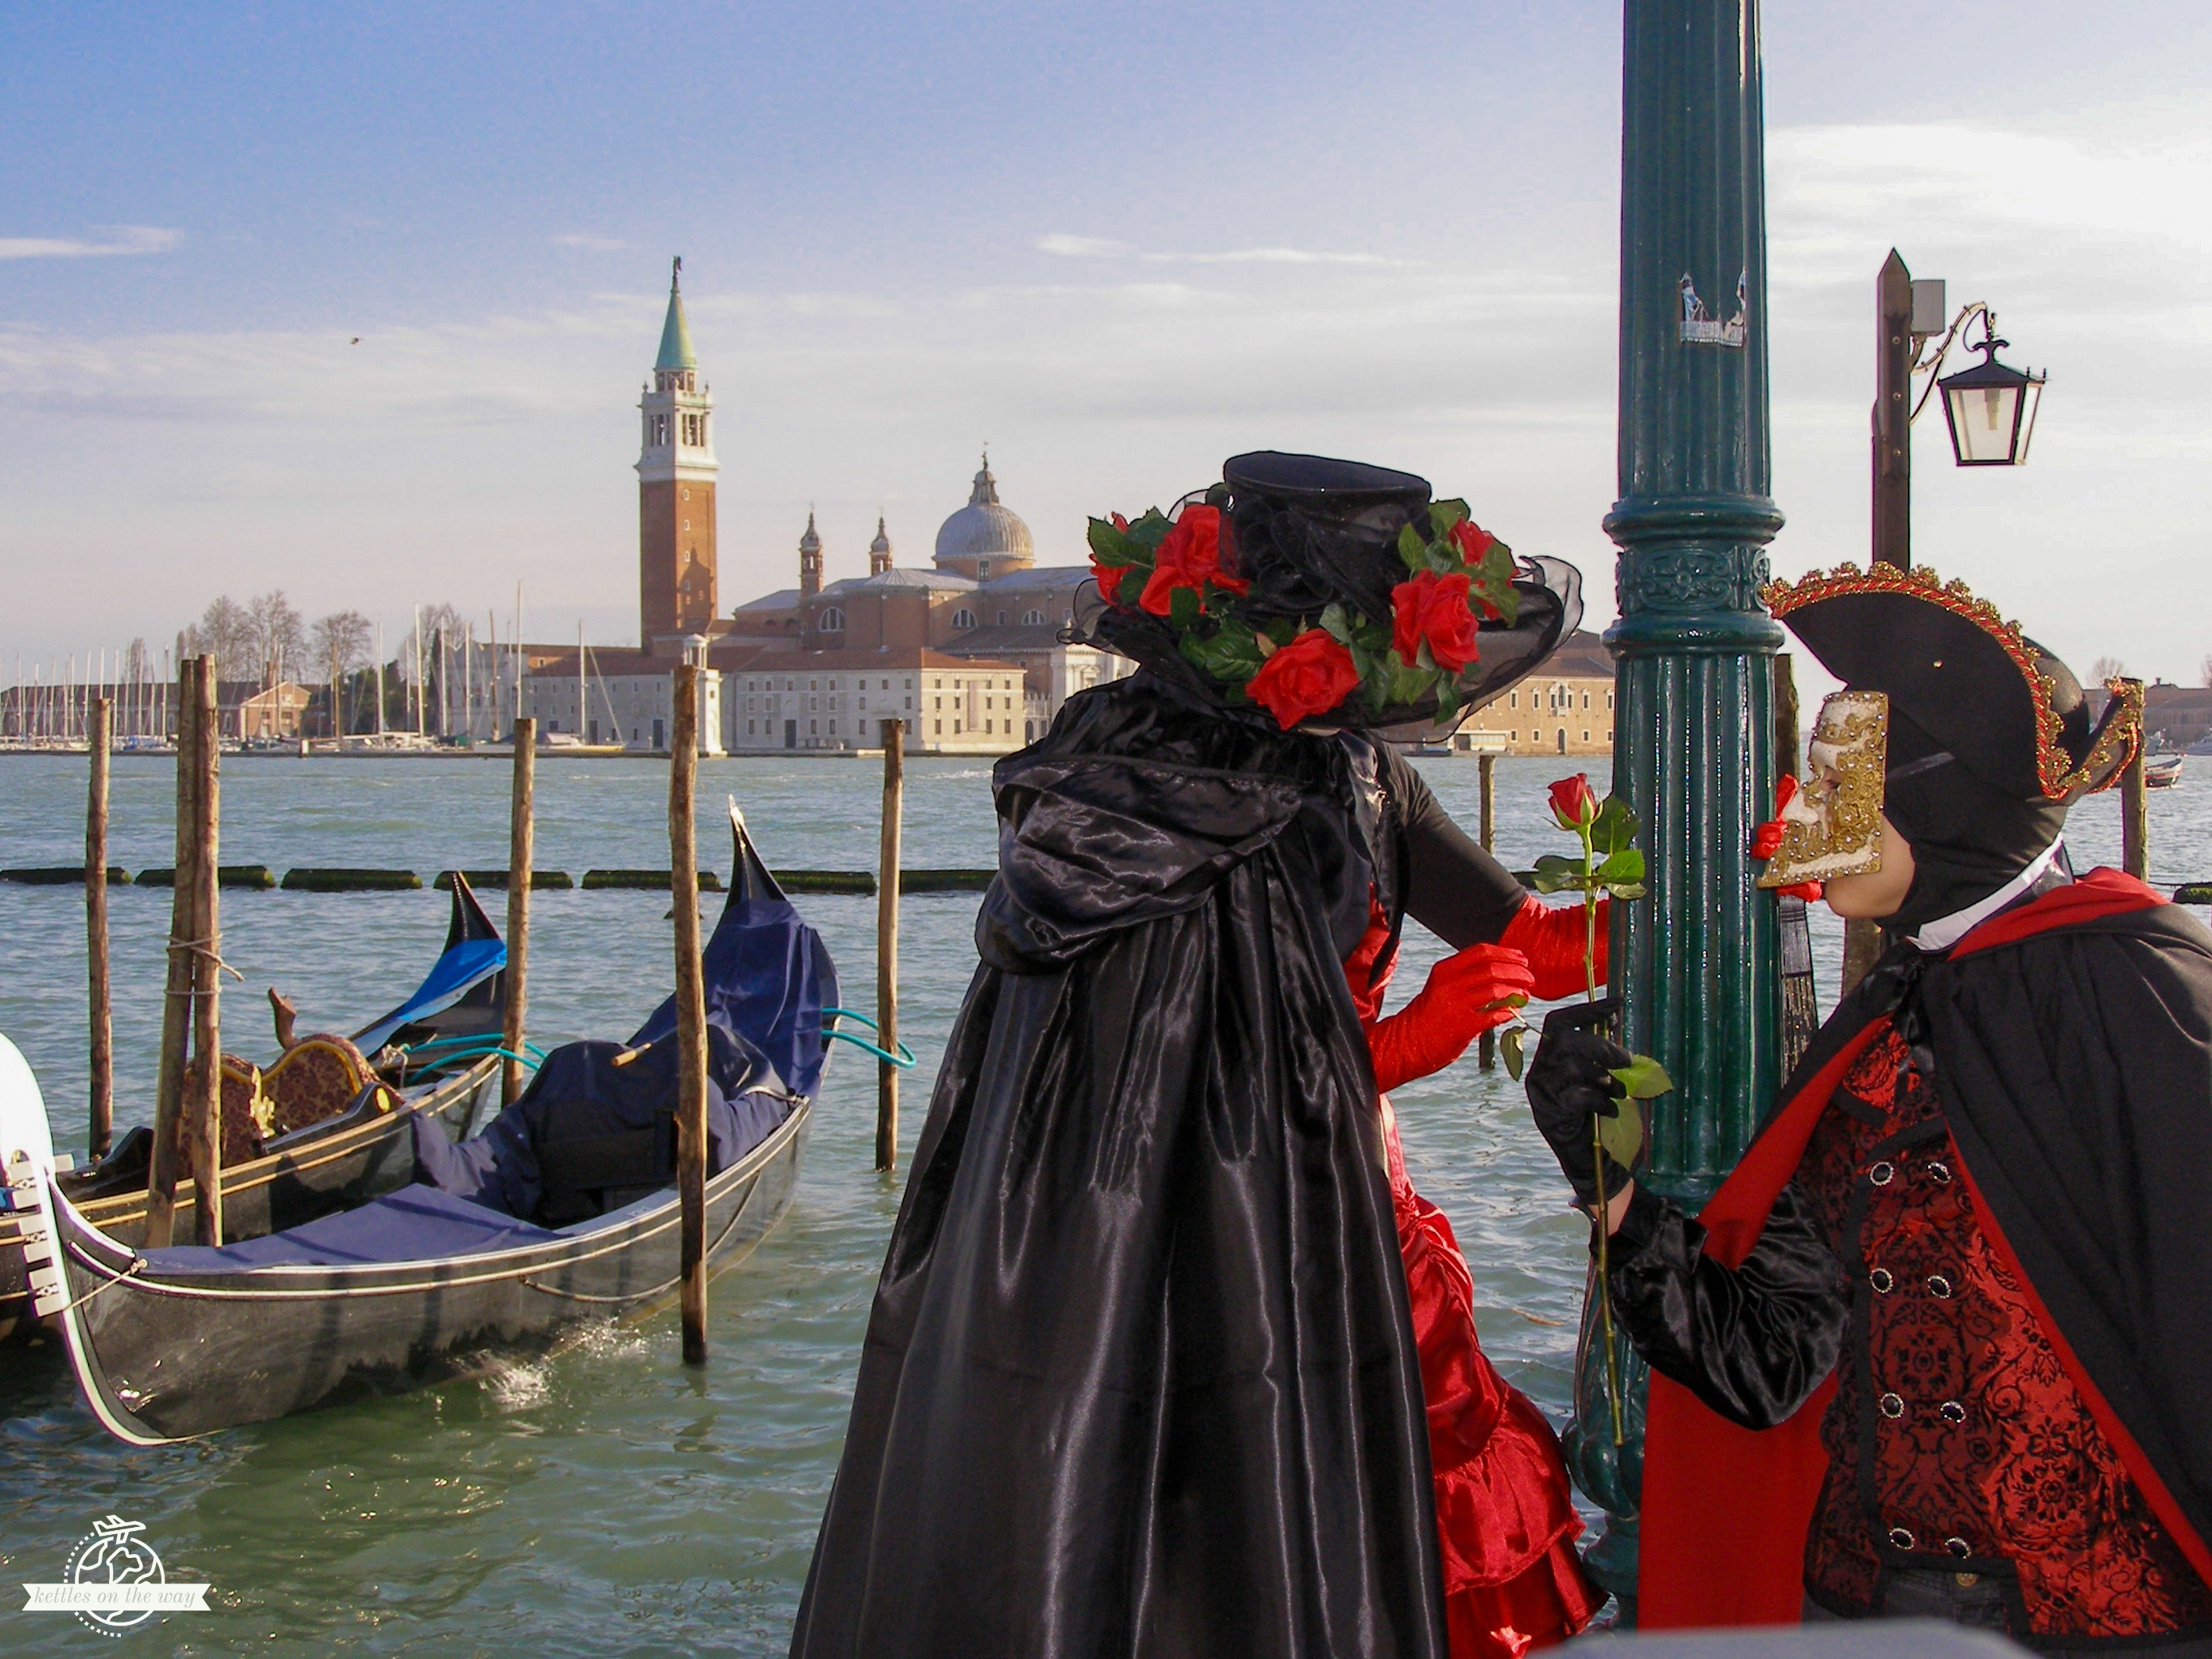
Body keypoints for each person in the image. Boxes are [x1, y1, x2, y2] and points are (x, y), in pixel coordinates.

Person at [791, 453, 1600, 1659]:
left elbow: (1530, 939)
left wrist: (1736, 889)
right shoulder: (1151, 792)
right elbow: (1165, 1086)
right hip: (1148, 1256)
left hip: (1331, 1216)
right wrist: (1398, 1046)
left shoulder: (1359, 769)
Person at [1523, 561, 2212, 1647]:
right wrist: (1608, 1183)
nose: (1799, 818)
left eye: (1838, 789)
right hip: (1852, 1612)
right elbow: (1768, 1365)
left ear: (1938, 801)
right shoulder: (1885, 1025)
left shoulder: (2135, 1001)